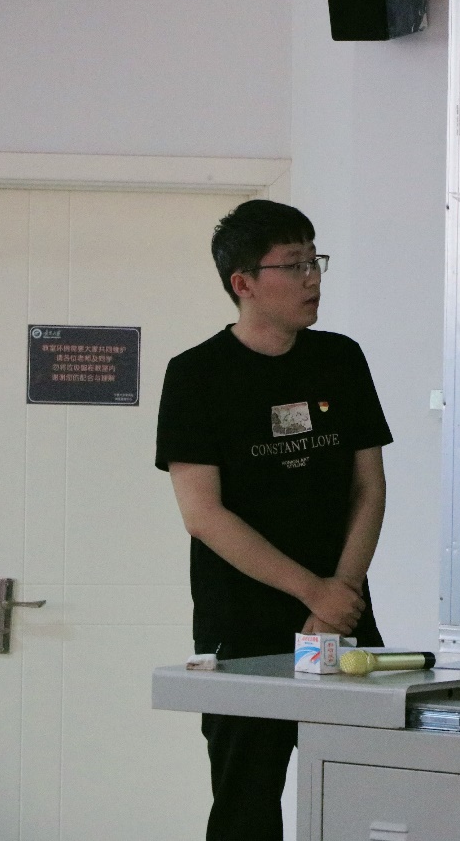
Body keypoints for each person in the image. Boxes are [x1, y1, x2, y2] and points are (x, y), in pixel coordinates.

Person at [155, 200, 392, 840]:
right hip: (244, 628)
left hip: (344, 618)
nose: (312, 278)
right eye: (294, 265)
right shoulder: (196, 375)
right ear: (244, 283)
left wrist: (340, 593)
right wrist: (312, 591)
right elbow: (203, 514)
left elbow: (369, 487)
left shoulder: (340, 358)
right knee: (246, 807)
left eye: (315, 261)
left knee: (363, 801)